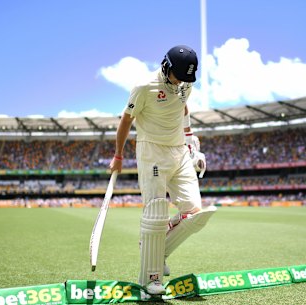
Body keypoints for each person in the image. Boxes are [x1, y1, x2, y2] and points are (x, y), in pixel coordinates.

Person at [109, 45, 215, 296]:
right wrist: (118, 155)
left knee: (195, 214)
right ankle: (150, 278)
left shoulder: (184, 83)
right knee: (156, 211)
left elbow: (183, 108)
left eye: (186, 80)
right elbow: (126, 120)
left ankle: (157, 248)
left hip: (179, 152)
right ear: (166, 66)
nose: (181, 83)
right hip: (152, 152)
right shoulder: (144, 87)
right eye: (178, 76)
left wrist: (192, 143)